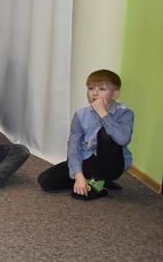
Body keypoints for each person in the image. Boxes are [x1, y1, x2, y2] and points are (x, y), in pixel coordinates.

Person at [37, 69, 135, 200]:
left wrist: (103, 114)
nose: (94, 93)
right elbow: (74, 147)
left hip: (113, 164)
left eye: (102, 89)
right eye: (91, 88)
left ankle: (99, 181)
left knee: (105, 134)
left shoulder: (125, 113)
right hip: (88, 159)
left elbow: (123, 139)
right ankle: (93, 180)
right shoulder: (80, 115)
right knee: (46, 181)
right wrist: (78, 176)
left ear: (114, 94)